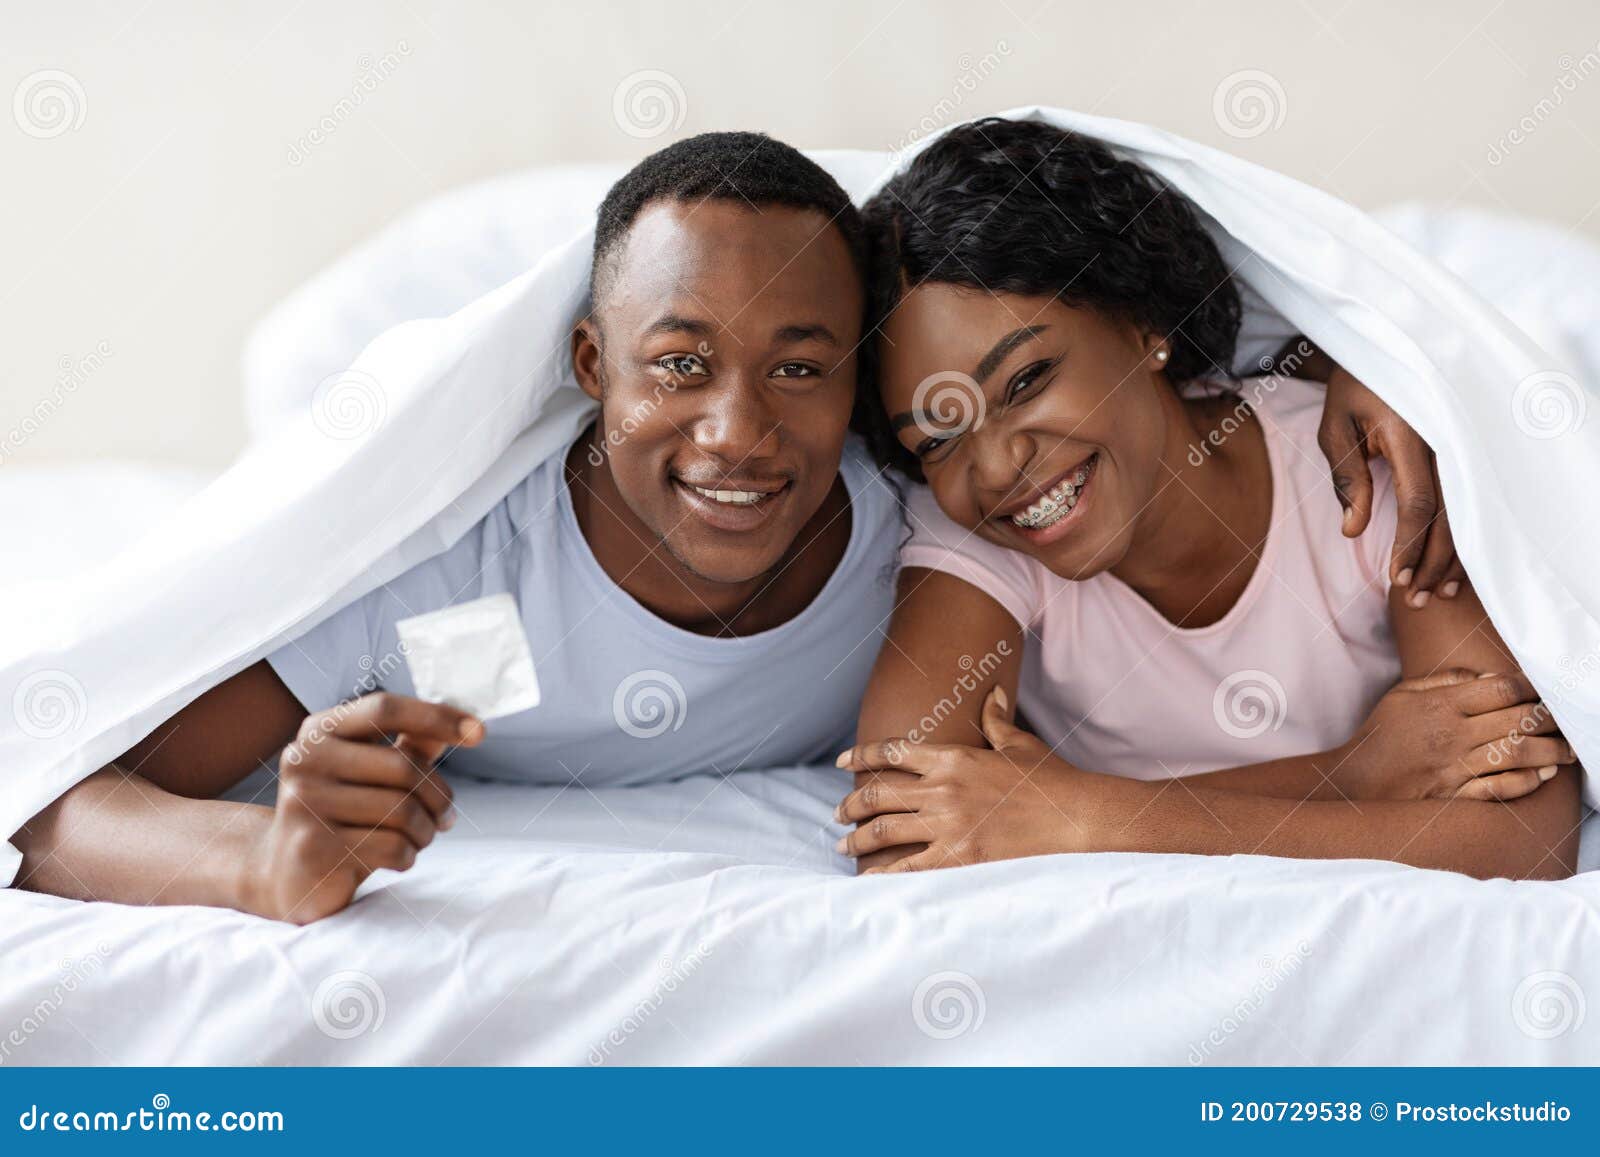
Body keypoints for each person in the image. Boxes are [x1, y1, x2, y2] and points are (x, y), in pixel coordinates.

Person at [12, 128, 1486, 923]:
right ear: (592, 372)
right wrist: (259, 864)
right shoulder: (469, 617)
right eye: (676, 365)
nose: (738, 434)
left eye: (800, 367)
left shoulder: (923, 506)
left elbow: (1102, 360)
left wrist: (1358, 358)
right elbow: (66, 799)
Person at [838, 118, 1580, 879]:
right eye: (936, 439)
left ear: (1142, 324)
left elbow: (1524, 839)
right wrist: (1347, 776)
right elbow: (898, 841)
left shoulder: (1363, 471)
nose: (996, 467)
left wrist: (1082, 812)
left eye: (1027, 381)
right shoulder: (979, 536)